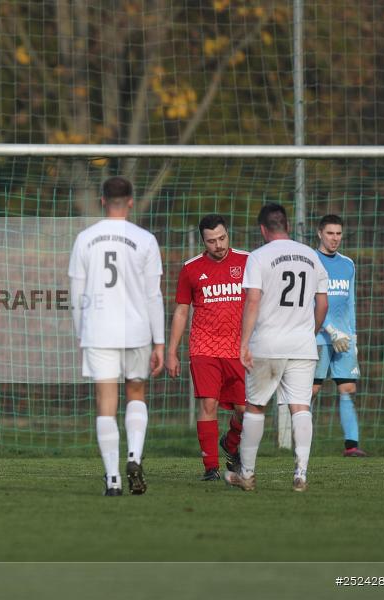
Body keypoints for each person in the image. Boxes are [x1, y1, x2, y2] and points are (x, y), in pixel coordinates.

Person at [68, 177, 164, 496]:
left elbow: (77, 295)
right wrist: (160, 341)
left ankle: (112, 479)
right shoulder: (145, 239)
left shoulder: (85, 238)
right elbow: (153, 295)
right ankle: (134, 456)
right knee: (136, 393)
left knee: (105, 403)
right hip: (136, 331)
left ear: (102, 201)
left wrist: (81, 333)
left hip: (98, 331)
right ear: (131, 202)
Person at [227, 203, 328, 493]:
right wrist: (310, 332)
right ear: (287, 225)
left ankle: (247, 474)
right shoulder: (311, 256)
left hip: (268, 344)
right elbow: (323, 304)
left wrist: (244, 342)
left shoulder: (258, 257)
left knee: (256, 406)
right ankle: (301, 474)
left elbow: (253, 301)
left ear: (263, 229)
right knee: (301, 407)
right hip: (302, 344)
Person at [167, 215, 249, 481]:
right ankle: (210, 467)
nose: (219, 245)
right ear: (203, 241)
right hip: (204, 346)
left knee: (245, 410)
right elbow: (182, 311)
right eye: (212, 241)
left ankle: (231, 444)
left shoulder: (248, 262)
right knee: (208, 403)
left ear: (228, 234)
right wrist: (172, 351)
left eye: (222, 238)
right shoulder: (191, 268)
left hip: (239, 348)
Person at [312, 215, 366, 457]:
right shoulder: (311, 262)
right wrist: (331, 331)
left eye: (338, 234)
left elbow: (350, 302)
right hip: (320, 338)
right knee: (311, 391)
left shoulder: (348, 264)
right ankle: (302, 444)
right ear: (319, 233)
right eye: (330, 233)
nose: (335, 238)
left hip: (344, 340)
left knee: (347, 389)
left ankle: (351, 446)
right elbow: (311, 303)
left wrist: (353, 337)